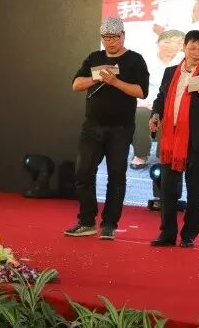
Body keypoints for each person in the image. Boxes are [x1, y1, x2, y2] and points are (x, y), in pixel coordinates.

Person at [65, 17, 150, 240]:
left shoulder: (135, 60)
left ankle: (109, 224)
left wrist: (115, 82)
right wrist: (97, 77)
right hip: (92, 126)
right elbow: (76, 84)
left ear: (123, 36)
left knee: (116, 175)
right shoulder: (95, 57)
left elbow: (141, 92)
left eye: (114, 37)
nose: (110, 42)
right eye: (106, 37)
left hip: (121, 128)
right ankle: (86, 221)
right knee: (83, 172)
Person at [149, 30, 199, 248]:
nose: (196, 52)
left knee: (195, 190)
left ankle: (189, 234)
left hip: (197, 140)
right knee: (168, 190)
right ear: (184, 47)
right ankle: (167, 233)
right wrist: (155, 115)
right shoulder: (170, 72)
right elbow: (161, 98)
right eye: (192, 47)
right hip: (171, 139)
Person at [131, 30, 185, 169]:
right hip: (145, 101)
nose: (171, 46)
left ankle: (164, 153)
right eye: (167, 42)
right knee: (138, 114)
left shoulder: (186, 61)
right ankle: (140, 153)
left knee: (169, 115)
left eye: (178, 43)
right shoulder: (144, 59)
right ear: (158, 42)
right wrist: (142, 102)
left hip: (173, 104)